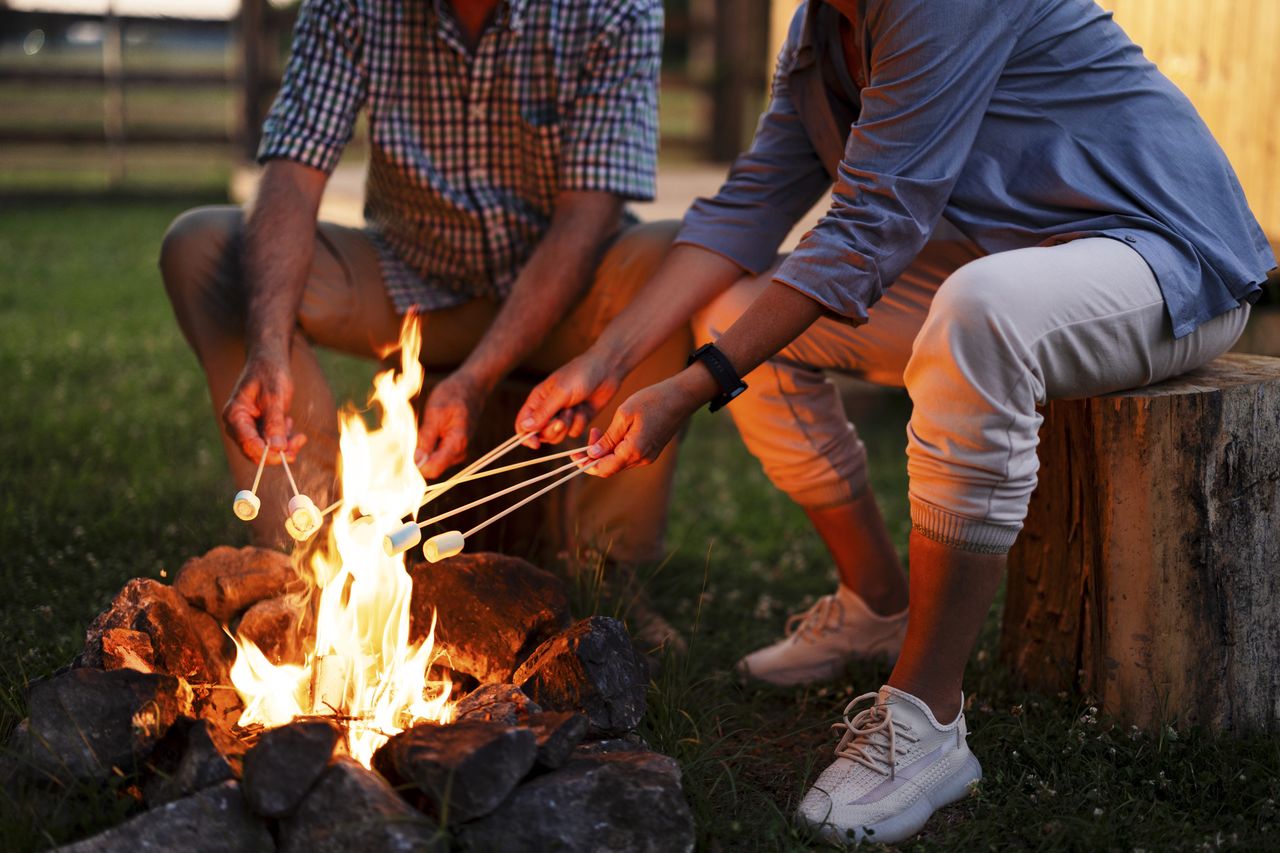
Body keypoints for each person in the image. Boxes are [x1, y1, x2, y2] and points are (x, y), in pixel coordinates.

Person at [516, 0, 1276, 843]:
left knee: (978, 314)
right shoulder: (818, 34)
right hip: (1011, 258)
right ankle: (877, 604)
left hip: (1162, 257)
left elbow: (873, 221)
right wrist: (608, 361)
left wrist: (696, 386)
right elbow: (750, 209)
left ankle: (927, 720)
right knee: (737, 309)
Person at [160, 0, 690, 644]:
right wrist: (267, 345)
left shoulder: (614, 9)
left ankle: (607, 578)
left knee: (675, 257)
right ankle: (305, 567)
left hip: (569, 296)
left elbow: (587, 218)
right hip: (406, 281)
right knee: (202, 245)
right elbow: (293, 177)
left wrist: (476, 378)